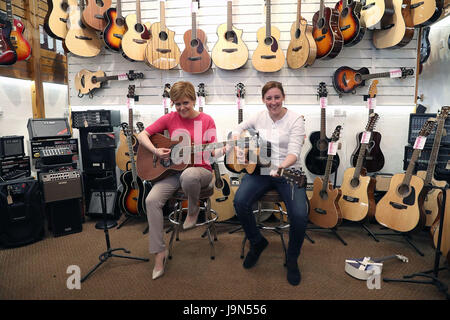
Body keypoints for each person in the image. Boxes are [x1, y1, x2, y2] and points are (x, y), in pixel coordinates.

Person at [230, 81, 309, 286]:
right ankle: (257, 243)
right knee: (240, 202)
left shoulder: (295, 119)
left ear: (283, 97)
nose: (273, 102)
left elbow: (294, 152)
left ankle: (292, 259)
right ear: (264, 100)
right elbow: (238, 129)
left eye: (276, 97)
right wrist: (239, 146)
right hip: (261, 169)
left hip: (289, 171)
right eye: (269, 98)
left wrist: (281, 167)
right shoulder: (259, 116)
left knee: (300, 215)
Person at [137, 81, 218, 280]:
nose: (181, 108)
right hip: (173, 172)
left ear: (194, 100)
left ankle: (192, 211)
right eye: (177, 104)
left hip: (201, 171)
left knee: (189, 175)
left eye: (186, 103)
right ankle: (159, 253)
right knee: (151, 201)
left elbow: (213, 153)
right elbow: (142, 135)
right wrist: (156, 151)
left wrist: (220, 150)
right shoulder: (170, 118)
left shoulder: (207, 120)